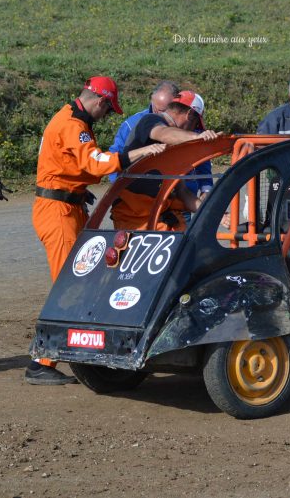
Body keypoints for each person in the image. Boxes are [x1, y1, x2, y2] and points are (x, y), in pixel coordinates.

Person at [29, 77, 164, 384]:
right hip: (58, 211)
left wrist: (78, 189)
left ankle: (55, 355)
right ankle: (41, 362)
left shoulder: (71, 119)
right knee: (68, 284)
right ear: (101, 102)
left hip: (67, 205)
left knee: (75, 280)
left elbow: (69, 165)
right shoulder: (72, 125)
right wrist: (139, 153)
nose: (106, 116)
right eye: (108, 109)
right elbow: (96, 163)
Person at [111, 91, 221, 231]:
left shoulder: (174, 146)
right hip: (134, 218)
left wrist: (215, 214)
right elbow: (163, 133)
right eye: (195, 125)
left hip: (159, 217)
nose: (195, 130)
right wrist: (198, 138)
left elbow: (183, 192)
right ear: (189, 116)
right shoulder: (150, 120)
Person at [108, 80, 180, 183]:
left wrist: (206, 187)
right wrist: (116, 187)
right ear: (152, 102)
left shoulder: (183, 122)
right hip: (137, 187)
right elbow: (115, 156)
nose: (162, 114)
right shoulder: (131, 124)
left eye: (166, 111)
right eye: (158, 109)